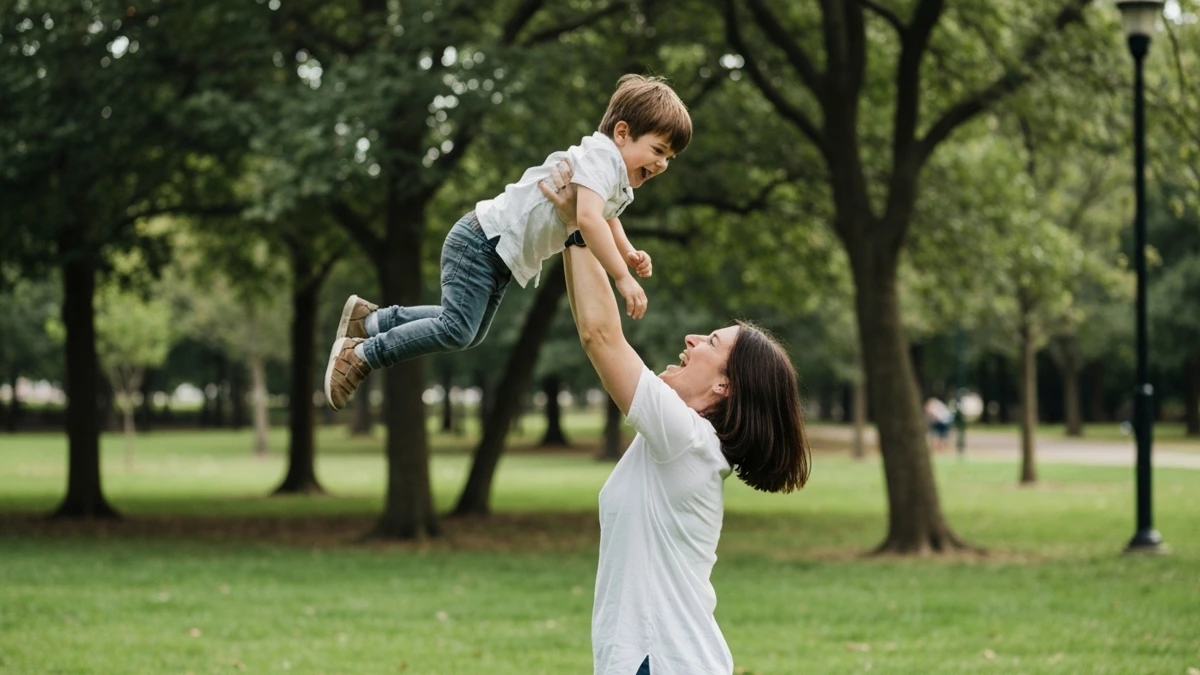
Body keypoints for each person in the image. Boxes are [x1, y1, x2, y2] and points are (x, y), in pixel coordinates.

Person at [542, 162, 811, 675]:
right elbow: (590, 327)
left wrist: (579, 227)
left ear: (724, 386)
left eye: (711, 341)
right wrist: (575, 232)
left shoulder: (686, 440)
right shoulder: (686, 444)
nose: (691, 339)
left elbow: (602, 338)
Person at [323, 74, 691, 410]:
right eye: (658, 151)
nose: (662, 165)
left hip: (499, 254)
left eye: (669, 158)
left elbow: (608, 217)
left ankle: (370, 320)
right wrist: (622, 278)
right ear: (622, 132)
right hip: (483, 241)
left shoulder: (613, 175)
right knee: (457, 329)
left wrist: (628, 253)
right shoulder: (602, 158)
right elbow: (589, 219)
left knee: (466, 332)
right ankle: (362, 355)